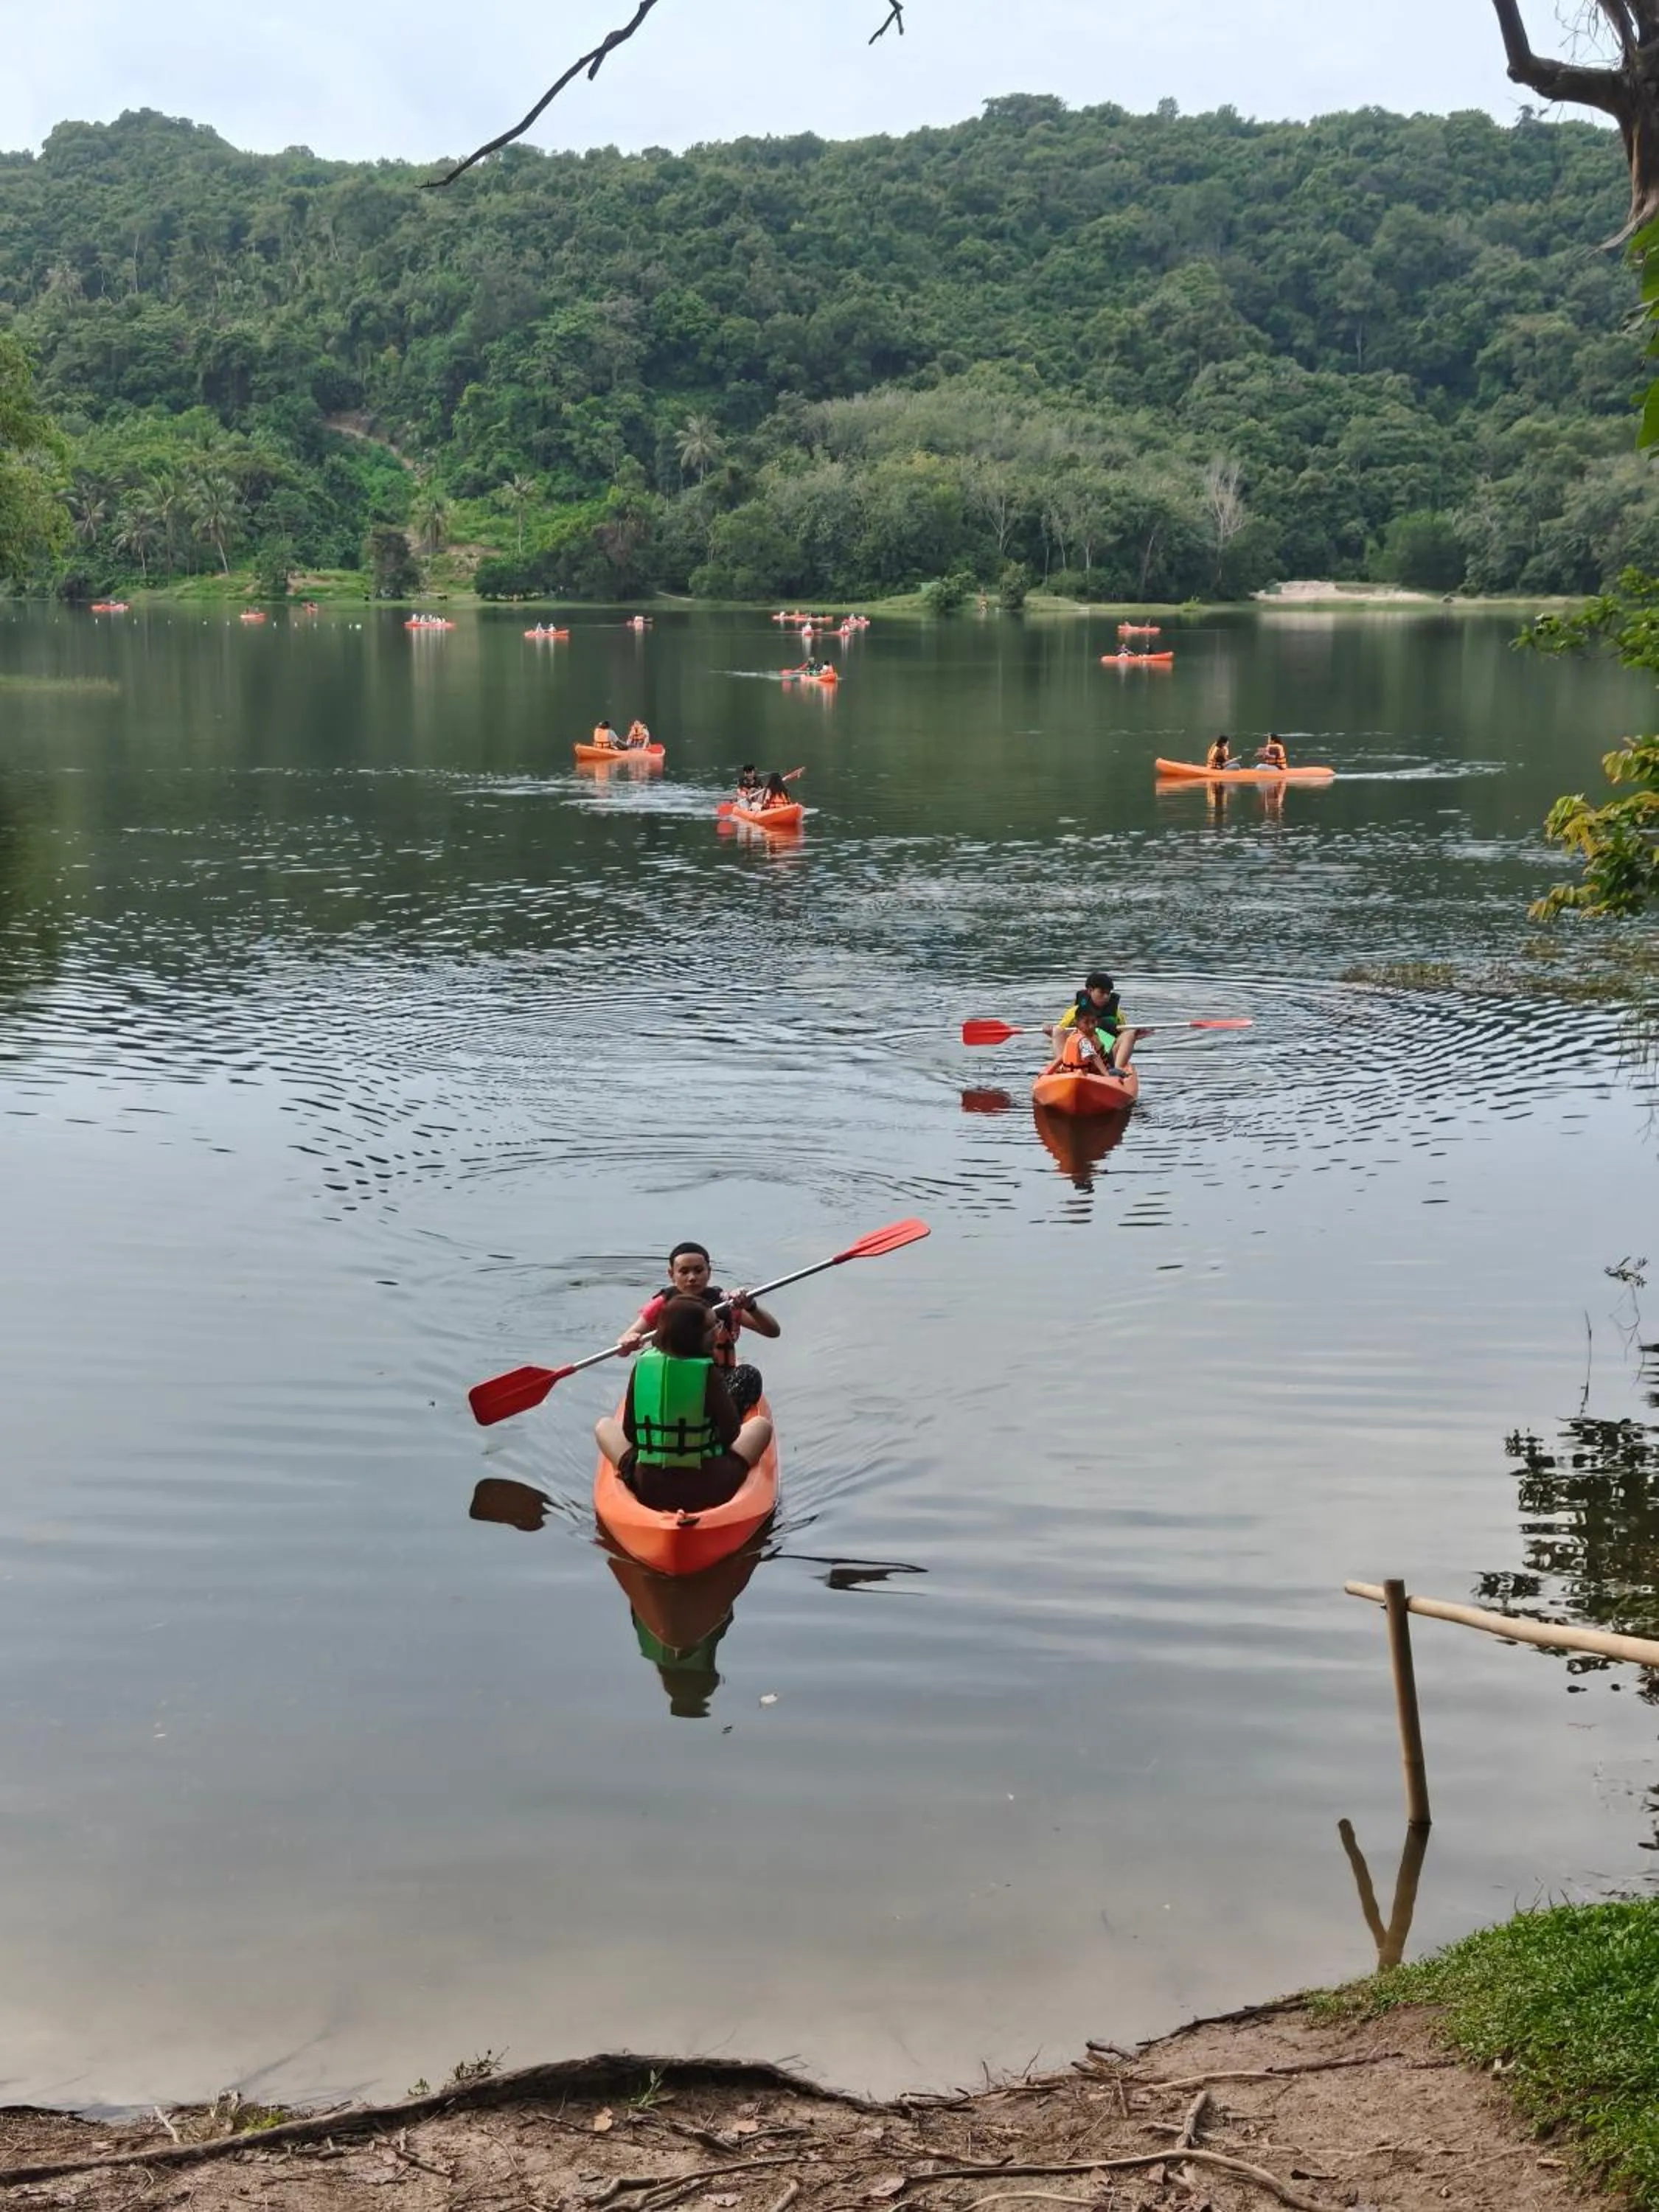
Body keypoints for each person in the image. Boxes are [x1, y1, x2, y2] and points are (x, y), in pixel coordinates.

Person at [596, 1297, 774, 1513]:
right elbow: (730, 1435)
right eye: (713, 1328)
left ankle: (634, 1491)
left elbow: (631, 1434)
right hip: (711, 1485)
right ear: (695, 1336)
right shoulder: (708, 1374)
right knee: (761, 1426)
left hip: (649, 1487)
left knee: (604, 1426)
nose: (718, 1333)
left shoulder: (642, 1366)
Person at [616, 1239, 780, 1415]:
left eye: (699, 1270)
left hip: (716, 1379)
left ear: (709, 1272)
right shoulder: (662, 1304)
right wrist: (628, 1340)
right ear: (672, 1274)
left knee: (748, 1375)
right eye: (684, 1272)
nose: (692, 1278)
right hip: (674, 1377)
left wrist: (750, 1306)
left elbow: (772, 1331)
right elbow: (622, 1348)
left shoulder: (725, 1303)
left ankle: (724, 1421)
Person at [1050, 970, 1138, 1073]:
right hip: (1080, 1056)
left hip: (1106, 1056)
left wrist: (1134, 1036)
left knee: (1130, 1034)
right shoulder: (1075, 1012)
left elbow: (1122, 1036)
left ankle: (1116, 1071)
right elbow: (1061, 1033)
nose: (1106, 997)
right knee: (1057, 1030)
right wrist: (1051, 1032)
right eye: (1102, 992)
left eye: (1108, 993)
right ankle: (1063, 1067)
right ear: (1090, 991)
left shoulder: (1116, 1013)